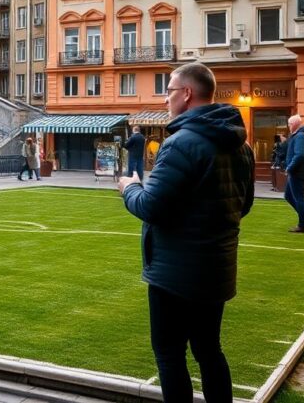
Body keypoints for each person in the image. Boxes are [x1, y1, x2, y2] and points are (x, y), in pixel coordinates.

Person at [118, 62, 254, 403]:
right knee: (209, 350)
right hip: (217, 267)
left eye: (169, 91)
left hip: (175, 274)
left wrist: (129, 188)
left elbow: (150, 206)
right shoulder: (242, 145)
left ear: (187, 94)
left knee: (170, 353)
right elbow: (244, 204)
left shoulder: (181, 143)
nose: (166, 99)